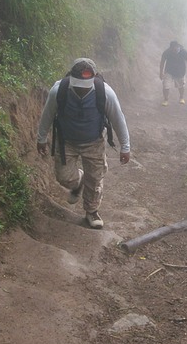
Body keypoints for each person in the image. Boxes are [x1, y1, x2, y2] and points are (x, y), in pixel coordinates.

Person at [36, 58, 130, 229]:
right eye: (78, 84)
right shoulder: (59, 90)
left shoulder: (105, 92)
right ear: (71, 77)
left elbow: (118, 119)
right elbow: (47, 114)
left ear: (94, 78)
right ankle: (79, 180)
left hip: (94, 142)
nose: (81, 88)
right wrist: (41, 138)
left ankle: (91, 211)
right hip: (66, 141)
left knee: (94, 179)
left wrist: (125, 146)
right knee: (64, 177)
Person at [159, 40, 187, 105]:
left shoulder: (184, 52)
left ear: (178, 47)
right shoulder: (167, 52)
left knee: (181, 86)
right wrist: (161, 73)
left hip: (180, 71)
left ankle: (181, 98)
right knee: (166, 85)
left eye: (176, 48)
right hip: (169, 71)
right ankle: (166, 100)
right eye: (173, 49)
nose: (175, 50)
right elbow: (162, 62)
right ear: (170, 48)